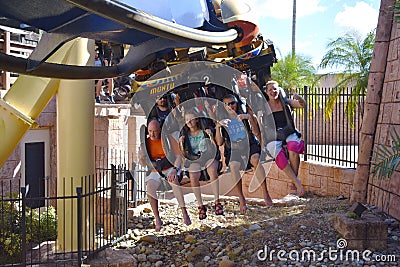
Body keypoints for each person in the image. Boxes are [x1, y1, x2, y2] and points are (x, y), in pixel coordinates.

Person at [215, 94, 272, 214]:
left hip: (249, 145)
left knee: (256, 159)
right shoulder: (224, 120)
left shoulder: (244, 116)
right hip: (233, 148)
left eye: (233, 103)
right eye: (227, 104)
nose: (231, 106)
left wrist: (249, 117)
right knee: (234, 166)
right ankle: (241, 199)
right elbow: (219, 142)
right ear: (224, 106)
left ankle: (265, 193)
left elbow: (256, 133)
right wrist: (218, 126)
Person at [138, 119, 191, 231]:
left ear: (160, 130)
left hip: (169, 167)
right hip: (155, 170)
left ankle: (184, 212)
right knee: (150, 189)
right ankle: (157, 218)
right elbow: (143, 164)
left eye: (155, 131)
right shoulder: (146, 143)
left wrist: (174, 170)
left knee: (174, 182)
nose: (152, 134)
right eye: (150, 131)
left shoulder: (168, 139)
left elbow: (179, 156)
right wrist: (141, 157)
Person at [264, 80, 305, 197]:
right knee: (277, 153)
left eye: (275, 88)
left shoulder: (286, 102)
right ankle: (297, 182)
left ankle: (294, 182)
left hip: (288, 132)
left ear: (279, 90)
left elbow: (302, 105)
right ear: (267, 92)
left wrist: (299, 98)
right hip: (274, 136)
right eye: (270, 89)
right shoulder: (265, 106)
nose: (273, 91)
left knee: (293, 146)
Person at [179, 110, 223, 219]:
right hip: (195, 159)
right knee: (193, 175)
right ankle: (200, 205)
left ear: (197, 119)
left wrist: (210, 136)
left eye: (191, 119)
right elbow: (184, 153)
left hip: (208, 156)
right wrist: (180, 143)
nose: (189, 121)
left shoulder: (204, 131)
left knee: (212, 170)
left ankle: (217, 201)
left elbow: (214, 147)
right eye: (187, 119)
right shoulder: (185, 135)